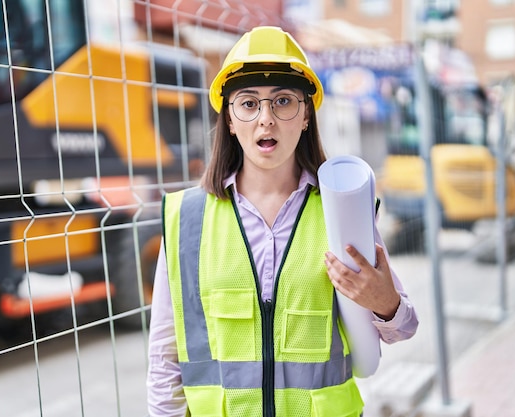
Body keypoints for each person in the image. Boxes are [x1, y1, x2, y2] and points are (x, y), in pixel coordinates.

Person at [146, 26, 418, 417]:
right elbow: (164, 358)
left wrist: (385, 302)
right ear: (229, 119)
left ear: (306, 115)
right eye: (249, 103)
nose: (266, 119)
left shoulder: (342, 210)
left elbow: (404, 327)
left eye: (284, 101)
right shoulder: (187, 219)